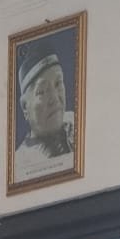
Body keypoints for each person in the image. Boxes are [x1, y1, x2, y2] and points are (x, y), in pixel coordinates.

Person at [13, 40, 74, 183]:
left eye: (58, 83)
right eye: (41, 92)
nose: (54, 98)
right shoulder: (19, 164)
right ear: (25, 107)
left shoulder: (75, 120)